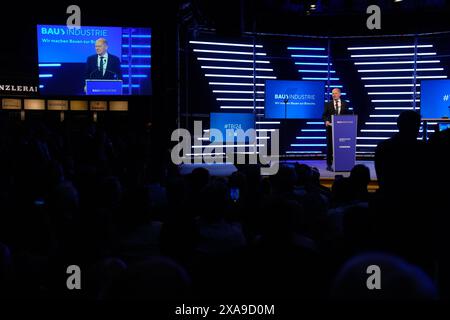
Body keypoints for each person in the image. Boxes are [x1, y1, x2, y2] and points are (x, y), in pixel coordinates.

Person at [322, 88, 350, 171]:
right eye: (332, 93)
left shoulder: (345, 103)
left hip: (342, 129)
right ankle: (329, 165)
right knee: (330, 146)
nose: (334, 95)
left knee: (342, 146)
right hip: (331, 128)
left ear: (340, 94)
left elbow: (348, 115)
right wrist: (326, 120)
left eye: (335, 93)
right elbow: (324, 115)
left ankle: (343, 163)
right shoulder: (328, 104)